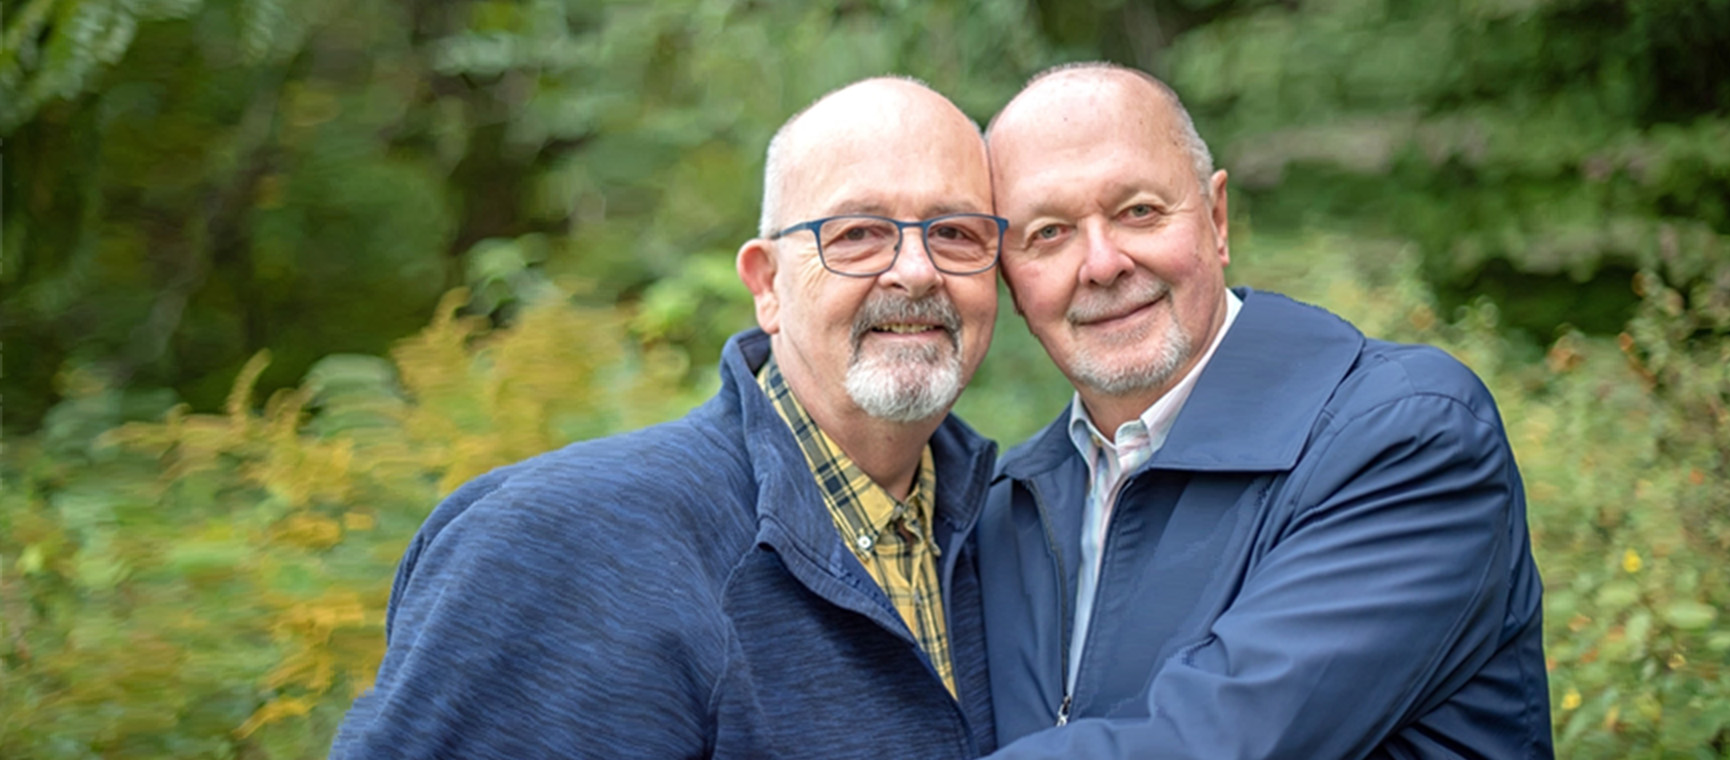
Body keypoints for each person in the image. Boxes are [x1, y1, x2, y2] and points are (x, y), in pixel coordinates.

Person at [329, 77, 1006, 759]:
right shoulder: (561, 548)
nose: (916, 270)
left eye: (955, 233)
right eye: (859, 234)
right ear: (767, 285)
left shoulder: (1019, 539)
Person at [973, 62, 1553, 759]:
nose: (1102, 263)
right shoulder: (1008, 511)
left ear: (1217, 220)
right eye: (1048, 234)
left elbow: (1217, 743)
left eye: (1139, 212)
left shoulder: (1409, 437)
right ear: (1008, 281)